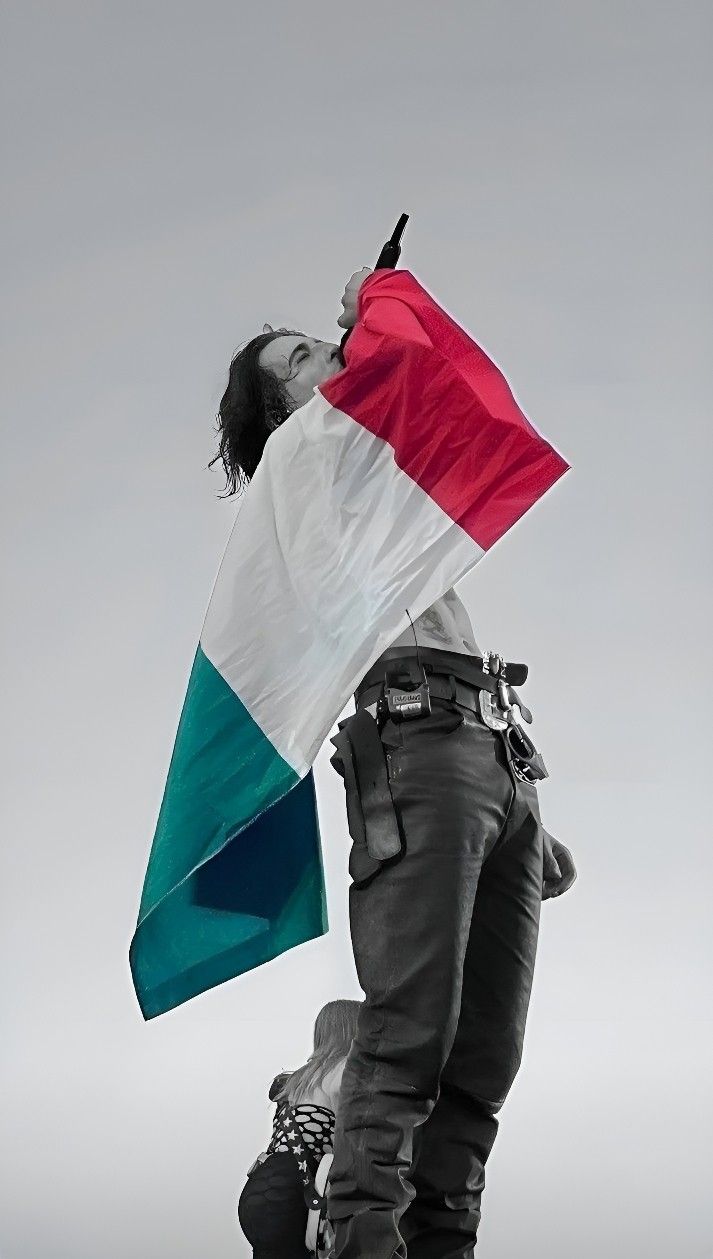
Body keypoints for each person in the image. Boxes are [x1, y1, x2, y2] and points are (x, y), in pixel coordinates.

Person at [215, 268, 577, 1259]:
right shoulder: (303, 458)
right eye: (299, 360)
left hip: (492, 747)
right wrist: (377, 297)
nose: (327, 357)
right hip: (418, 739)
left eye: (318, 344)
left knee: (483, 1057)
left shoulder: (374, 480)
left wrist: (519, 803)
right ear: (278, 408)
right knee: (412, 1030)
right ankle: (351, 1203)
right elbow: (395, 377)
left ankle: (434, 1231)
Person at [238, 998, 361, 1258]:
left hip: (259, 1187)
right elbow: (355, 1136)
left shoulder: (296, 1079)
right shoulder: (345, 1071)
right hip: (293, 1192)